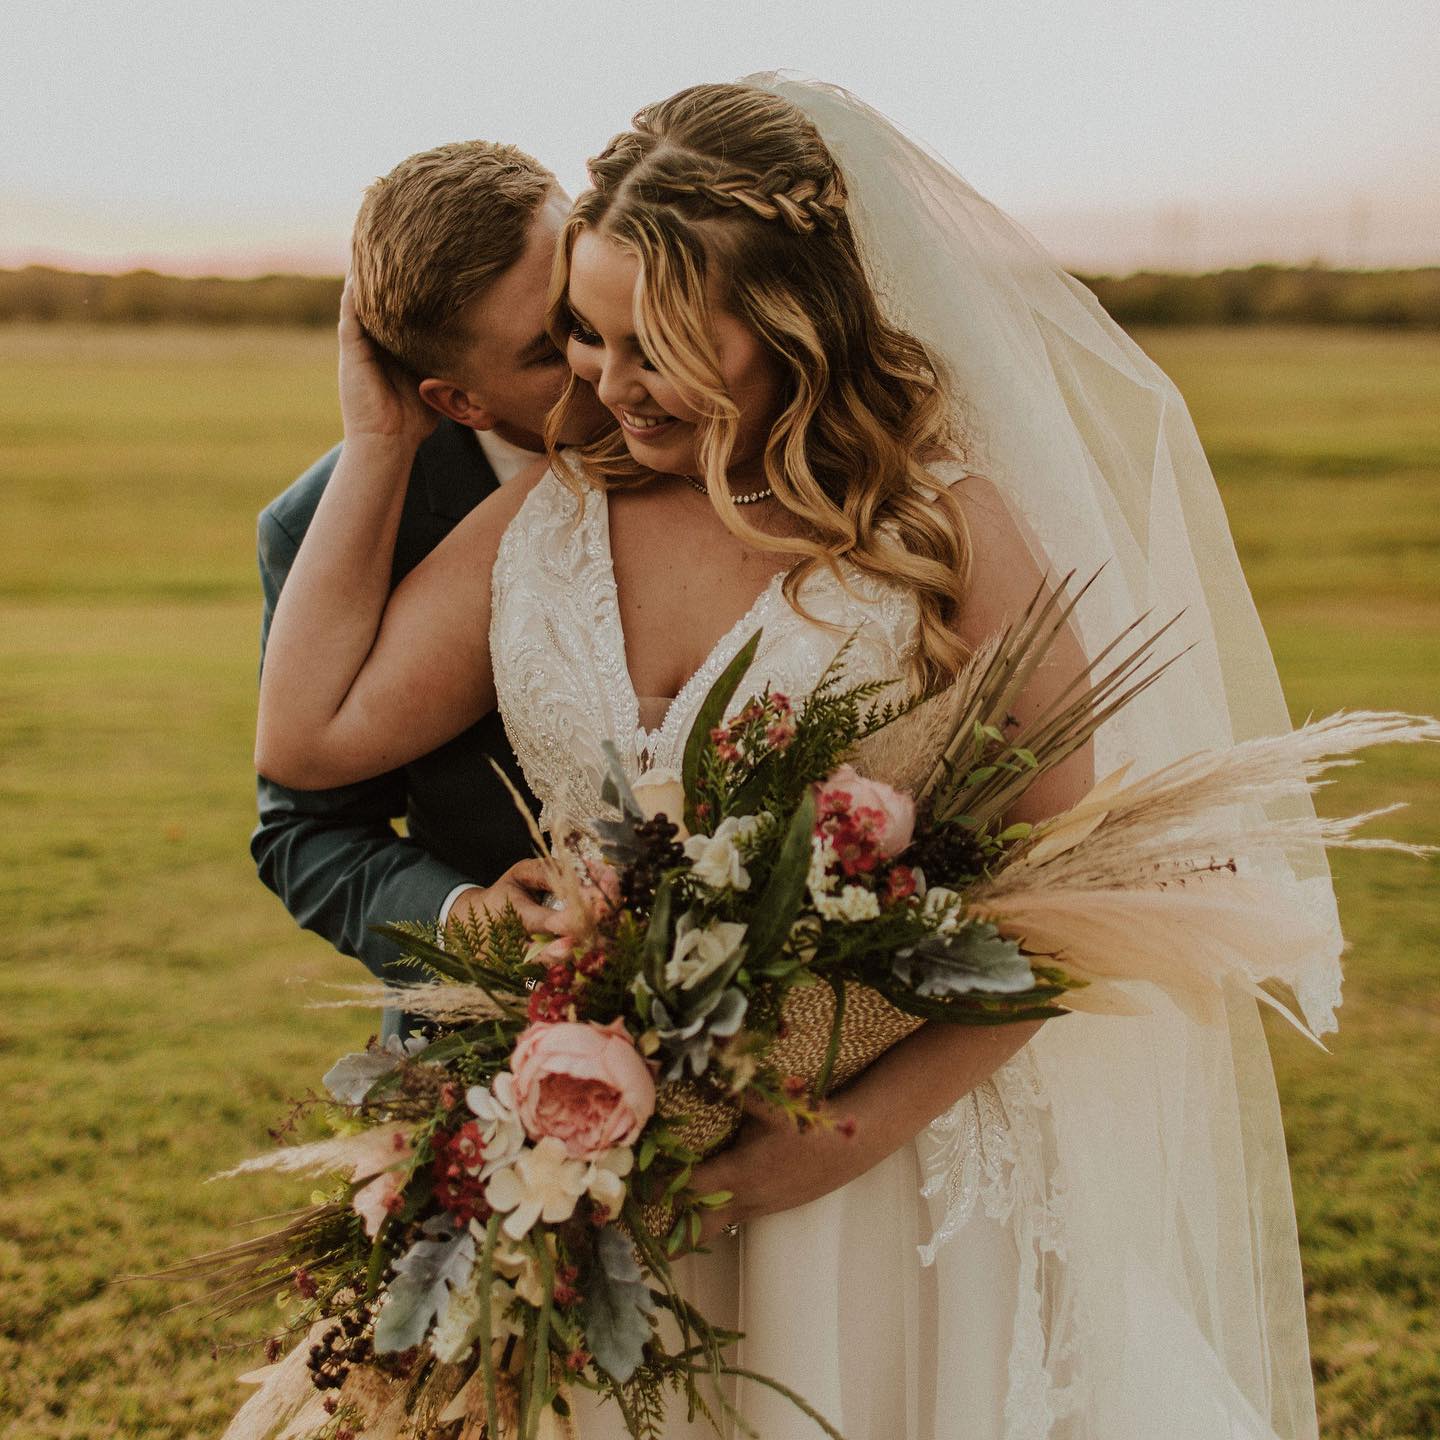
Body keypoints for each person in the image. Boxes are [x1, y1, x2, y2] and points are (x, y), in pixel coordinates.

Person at [254, 78, 1340, 1440]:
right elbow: (308, 739)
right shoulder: (553, 511)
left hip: (894, 1189)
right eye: (584, 335)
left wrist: (848, 1138)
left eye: (654, 346)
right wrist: (375, 437)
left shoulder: (936, 527)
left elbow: (1077, 881)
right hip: (615, 1176)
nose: (605, 384)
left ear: (787, 324)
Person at [253, 140, 609, 1035]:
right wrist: (464, 920)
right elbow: (306, 833)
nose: (603, 350)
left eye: (583, 294)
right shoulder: (322, 530)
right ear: (460, 402)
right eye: (552, 348)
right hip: (514, 1037)